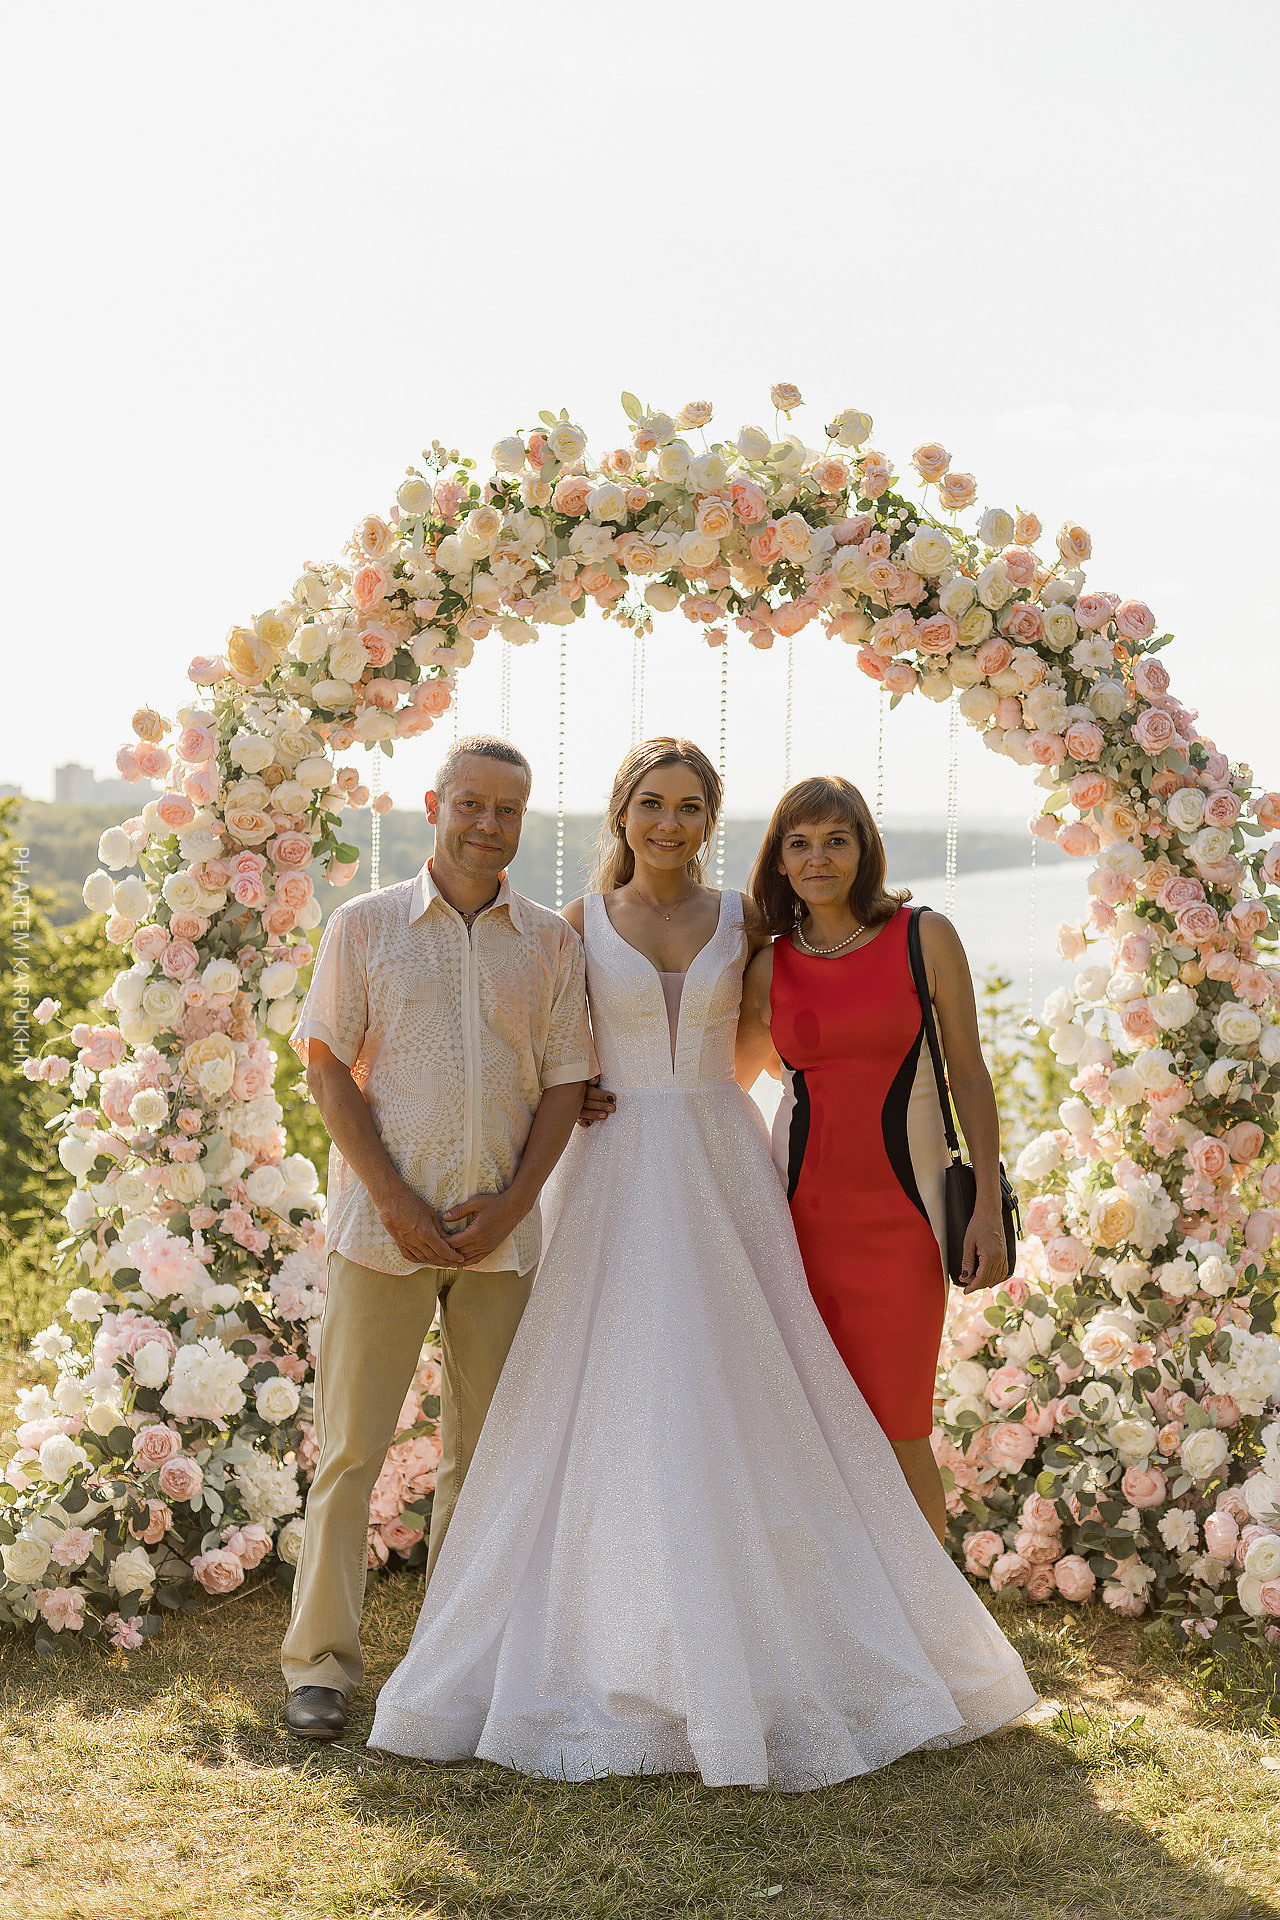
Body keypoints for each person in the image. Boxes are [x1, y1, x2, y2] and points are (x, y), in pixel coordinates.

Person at [368, 738, 1035, 1790]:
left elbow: (769, 1045)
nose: (667, 825)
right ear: (620, 812)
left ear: (710, 820)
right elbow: (542, 1048)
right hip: (617, 1168)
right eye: (649, 805)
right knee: (618, 1396)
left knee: (754, 1393)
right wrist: (586, 1089)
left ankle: (805, 1627)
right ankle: (623, 1639)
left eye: (687, 808)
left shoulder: (745, 923)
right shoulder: (577, 925)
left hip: (723, 1166)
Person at [279, 735, 591, 1741]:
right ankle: (319, 1667)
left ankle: (455, 1665)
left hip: (500, 1238)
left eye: (507, 810)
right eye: (472, 804)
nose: (488, 825)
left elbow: (564, 1085)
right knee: (350, 1453)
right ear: (433, 805)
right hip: (381, 1232)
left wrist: (510, 1207)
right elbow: (328, 1068)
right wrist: (398, 1203)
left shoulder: (547, 942)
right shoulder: (364, 925)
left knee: (485, 1458)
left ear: (521, 821)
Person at [737, 774, 1007, 1544]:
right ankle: (839, 1618)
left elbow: (970, 1075)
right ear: (780, 862)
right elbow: (718, 1083)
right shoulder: (770, 966)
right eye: (800, 844)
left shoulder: (924, 936)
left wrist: (985, 1207)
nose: (818, 857)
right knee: (813, 1430)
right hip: (798, 1225)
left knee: (899, 1426)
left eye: (836, 840)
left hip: (905, 1222)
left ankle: (936, 1631)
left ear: (864, 850)